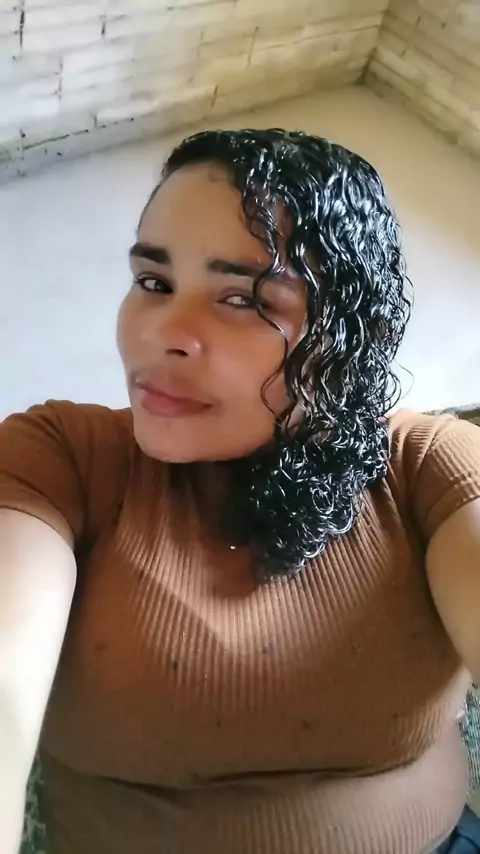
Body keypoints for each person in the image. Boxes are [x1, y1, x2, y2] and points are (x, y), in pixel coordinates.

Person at [1, 128, 480, 854]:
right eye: (154, 283)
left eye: (244, 299)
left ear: (349, 335)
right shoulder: (61, 460)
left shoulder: (425, 467)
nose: (165, 333)